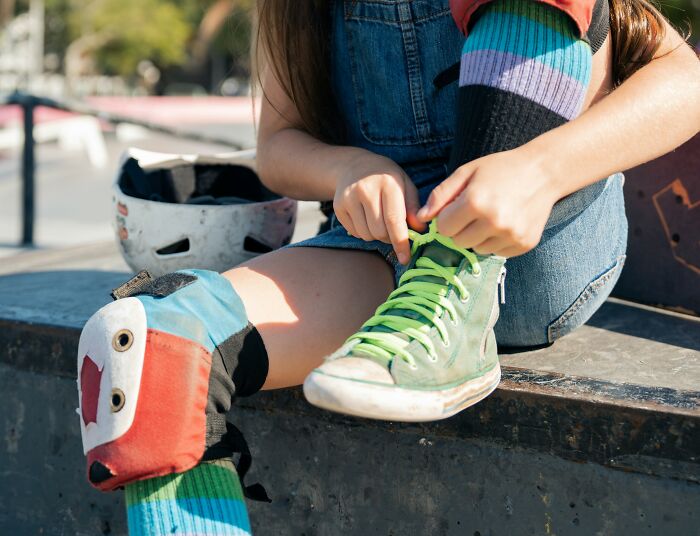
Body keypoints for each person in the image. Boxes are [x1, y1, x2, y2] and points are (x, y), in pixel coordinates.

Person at [76, 0, 700, 533]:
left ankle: (461, 299)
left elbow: (684, 81)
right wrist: (348, 170)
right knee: (150, 350)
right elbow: (277, 147)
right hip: (392, 250)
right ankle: (433, 305)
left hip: (539, 237)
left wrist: (539, 172)